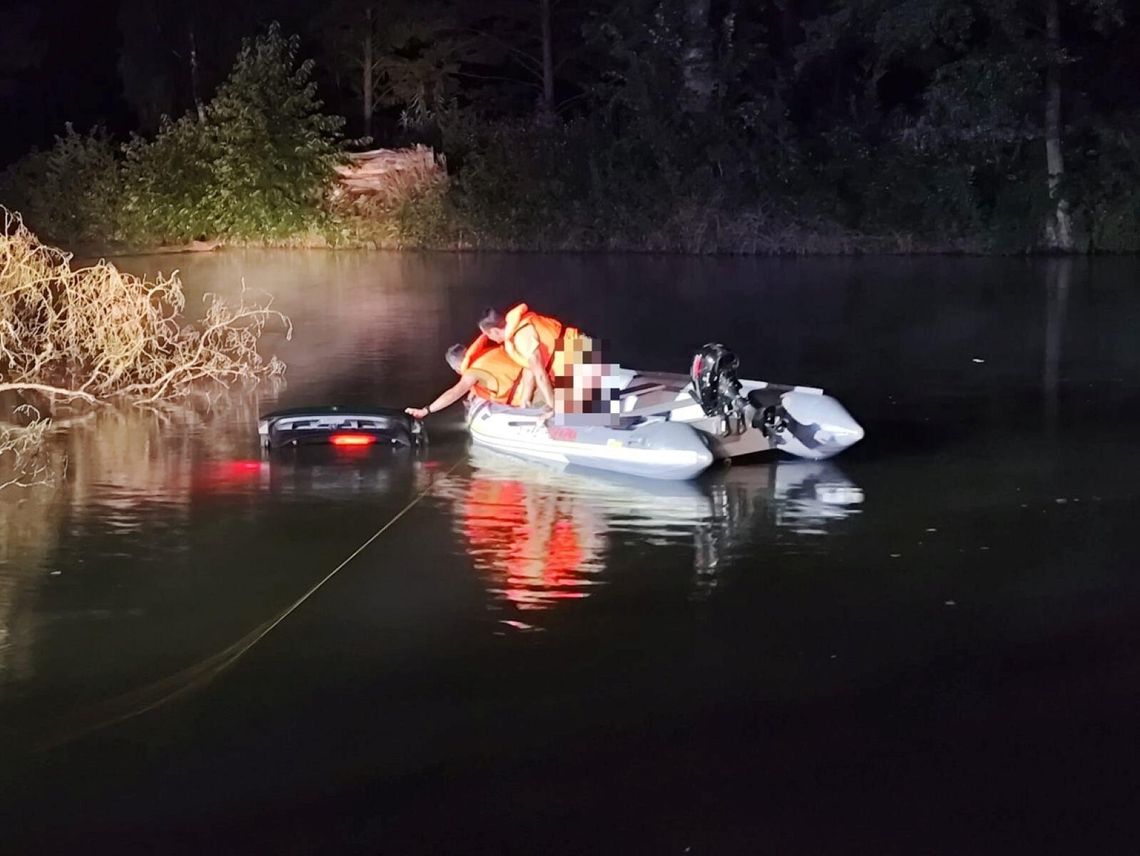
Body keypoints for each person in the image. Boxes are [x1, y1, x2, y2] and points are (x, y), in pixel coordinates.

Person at [477, 303, 595, 422]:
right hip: (577, 355)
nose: (489, 338)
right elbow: (529, 369)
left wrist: (553, 407)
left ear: (495, 331)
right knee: (539, 402)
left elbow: (540, 374)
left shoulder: (521, 336)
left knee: (571, 407)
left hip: (579, 358)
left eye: (488, 335)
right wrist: (525, 399)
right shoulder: (518, 329)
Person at [405, 336, 526, 420]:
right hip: (533, 380)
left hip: (526, 396)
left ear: (457, 367)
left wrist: (426, 410)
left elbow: (454, 392)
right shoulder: (488, 352)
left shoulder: (473, 371)